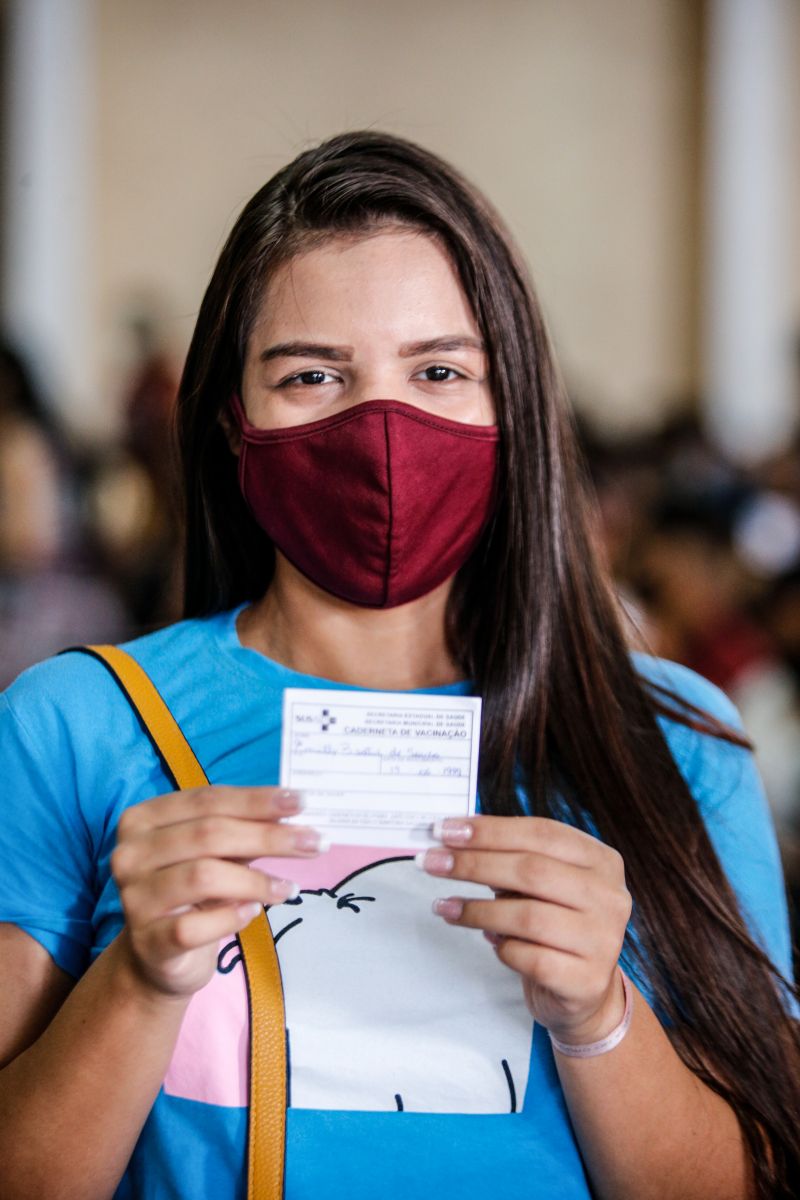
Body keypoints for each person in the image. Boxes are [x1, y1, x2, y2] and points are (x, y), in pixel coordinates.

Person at [0, 132, 797, 1200]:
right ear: (234, 423)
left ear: (509, 404)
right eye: (311, 376)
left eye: (437, 372)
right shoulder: (80, 723)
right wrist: (136, 981)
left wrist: (599, 1015)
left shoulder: (669, 736)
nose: (380, 428)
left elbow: (754, 1176)